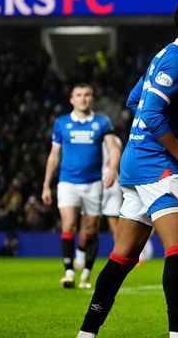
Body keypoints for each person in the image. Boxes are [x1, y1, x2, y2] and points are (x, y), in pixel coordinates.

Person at [76, 0, 178, 338]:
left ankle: (87, 332)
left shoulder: (164, 55)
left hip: (134, 162)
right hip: (156, 165)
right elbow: (153, 114)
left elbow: (135, 100)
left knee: (123, 257)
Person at [42, 83, 121, 289]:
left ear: (91, 98)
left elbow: (113, 148)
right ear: (71, 99)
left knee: (90, 230)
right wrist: (46, 185)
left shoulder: (102, 122)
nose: (83, 98)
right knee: (68, 224)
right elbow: (54, 155)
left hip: (94, 183)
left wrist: (112, 169)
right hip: (67, 182)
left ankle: (86, 272)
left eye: (87, 95)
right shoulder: (62, 123)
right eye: (79, 95)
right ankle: (68, 272)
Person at [74, 137, 125, 278]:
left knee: (87, 222)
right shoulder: (117, 140)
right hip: (114, 181)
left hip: (96, 182)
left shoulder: (91, 138)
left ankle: (79, 257)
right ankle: (120, 259)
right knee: (115, 225)